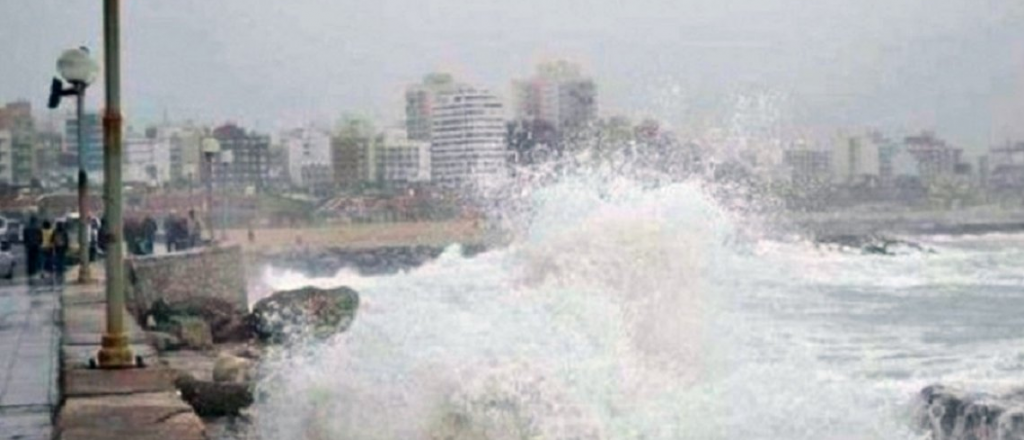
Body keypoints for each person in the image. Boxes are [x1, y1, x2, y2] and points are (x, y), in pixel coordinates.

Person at [22, 216, 42, 280]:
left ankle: (30, 271)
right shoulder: (38, 228)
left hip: (29, 245)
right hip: (36, 245)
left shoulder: (26, 228)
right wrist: (39, 243)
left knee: (29, 259)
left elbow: (24, 238)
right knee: (35, 258)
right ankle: (34, 270)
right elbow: (40, 237)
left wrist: (25, 244)